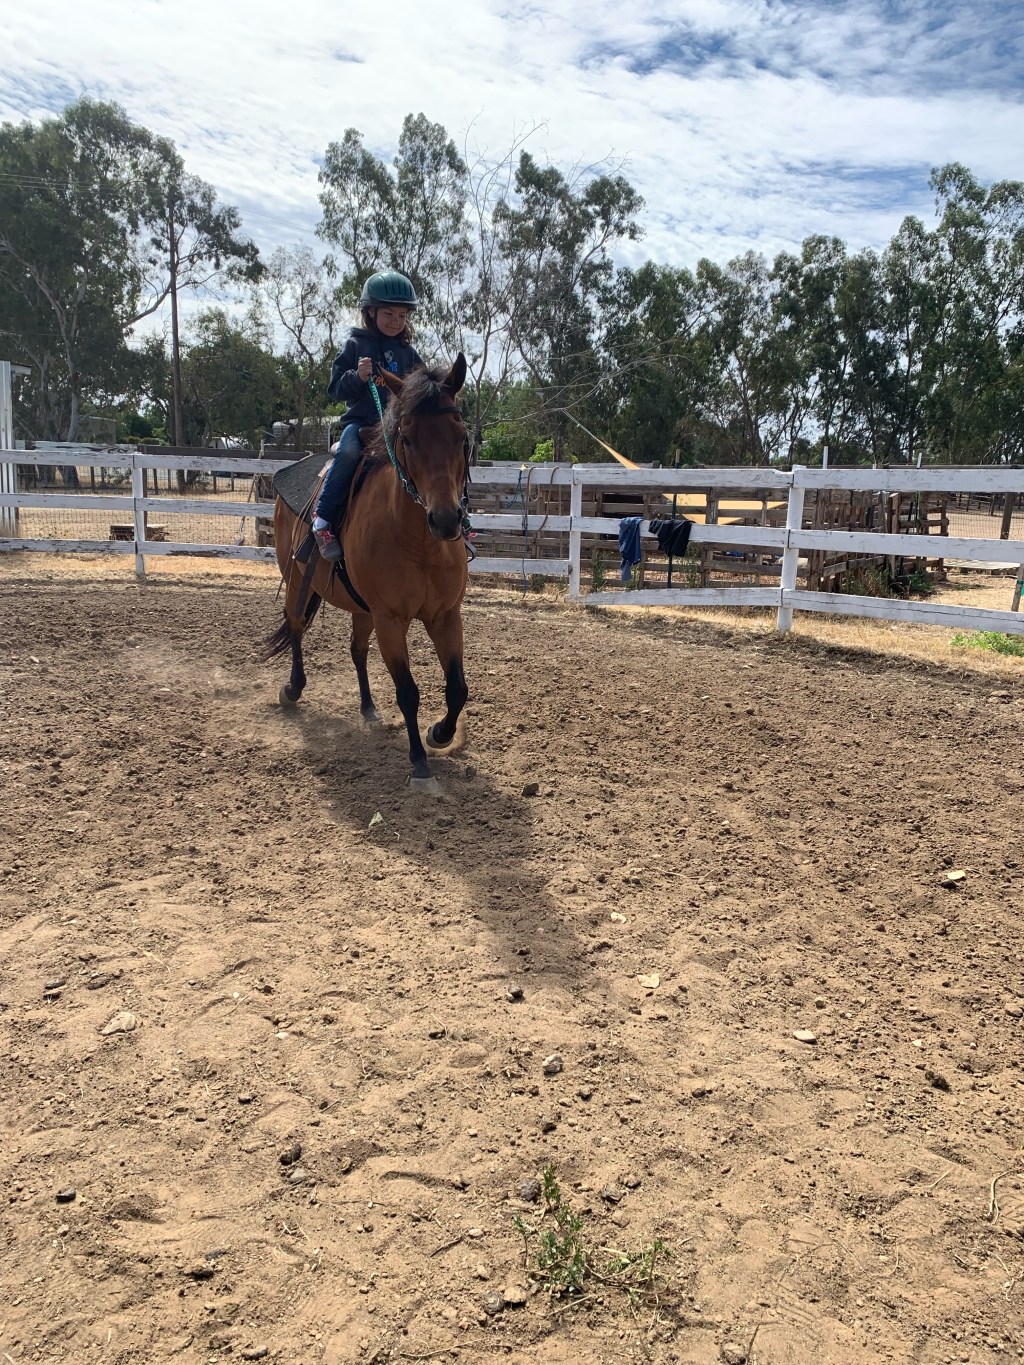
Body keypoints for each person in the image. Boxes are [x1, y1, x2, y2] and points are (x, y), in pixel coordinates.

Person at [312, 271, 423, 560]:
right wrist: (356, 377)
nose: (395, 321)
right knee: (347, 453)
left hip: (396, 429)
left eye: (402, 315)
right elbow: (335, 389)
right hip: (361, 425)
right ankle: (323, 521)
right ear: (370, 312)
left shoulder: (409, 354)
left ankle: (455, 519)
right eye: (388, 313)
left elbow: (425, 388)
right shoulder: (355, 346)